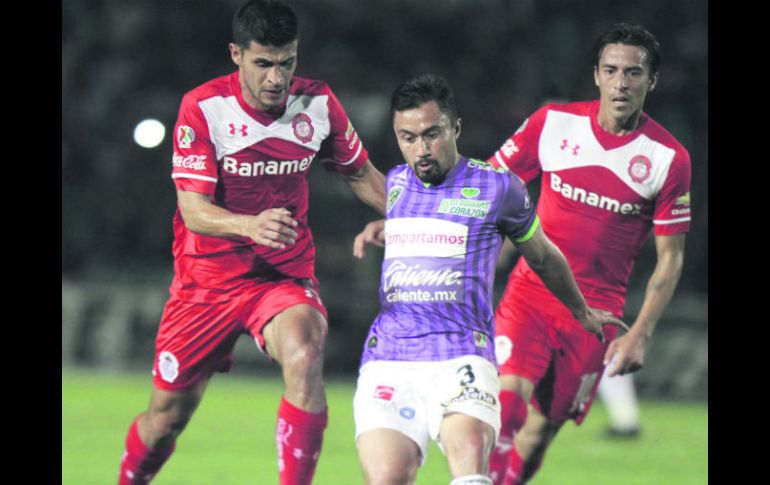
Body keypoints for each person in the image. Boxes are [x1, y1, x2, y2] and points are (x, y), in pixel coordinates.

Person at [116, 1, 386, 484]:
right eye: (263, 63)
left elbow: (362, 176)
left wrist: (434, 218)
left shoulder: (318, 103)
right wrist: (248, 224)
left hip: (280, 278)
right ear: (236, 54)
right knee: (163, 422)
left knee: (305, 352)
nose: (276, 78)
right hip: (205, 286)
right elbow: (193, 211)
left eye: (287, 62)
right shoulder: (203, 108)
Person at [352, 74, 626, 485]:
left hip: (462, 353)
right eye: (408, 138)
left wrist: (580, 310)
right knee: (388, 478)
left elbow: (544, 255)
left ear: (455, 128)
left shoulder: (499, 189)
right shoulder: (395, 185)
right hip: (390, 357)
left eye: (432, 134)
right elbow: (407, 214)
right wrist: (384, 227)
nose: (421, 149)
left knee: (470, 467)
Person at [486, 23, 691, 484]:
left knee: (538, 434)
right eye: (611, 70)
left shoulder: (668, 159)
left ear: (651, 80)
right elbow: (486, 184)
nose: (621, 82)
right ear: (595, 75)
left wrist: (641, 332)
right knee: (505, 408)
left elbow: (671, 259)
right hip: (531, 294)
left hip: (596, 316)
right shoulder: (553, 124)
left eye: (633, 73)